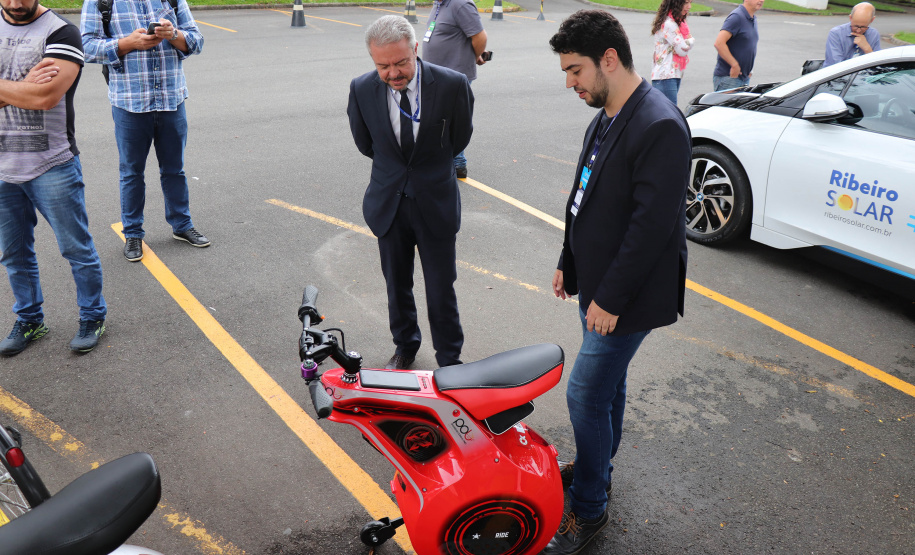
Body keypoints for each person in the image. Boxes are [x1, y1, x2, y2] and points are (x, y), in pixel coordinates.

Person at [546, 10, 689, 554]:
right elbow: (582, 197)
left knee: (584, 393)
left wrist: (607, 298)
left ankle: (589, 508)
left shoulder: (659, 125)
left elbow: (651, 229)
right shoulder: (605, 112)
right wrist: (569, 259)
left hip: (625, 296)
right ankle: (597, 466)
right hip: (597, 284)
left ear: (609, 59)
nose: (570, 83)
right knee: (607, 387)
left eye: (575, 70)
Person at [347, 15, 473, 370]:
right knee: (396, 286)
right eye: (383, 66)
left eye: (401, 62)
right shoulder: (361, 88)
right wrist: (399, 172)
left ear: (415, 50)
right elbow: (366, 143)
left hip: (436, 202)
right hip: (389, 204)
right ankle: (405, 346)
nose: (393, 73)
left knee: (440, 289)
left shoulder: (452, 85)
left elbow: (459, 138)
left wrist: (426, 168)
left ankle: (450, 359)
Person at [0, 0, 108, 355]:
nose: (16, 4)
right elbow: (29, 94)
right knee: (14, 254)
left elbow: (46, 97)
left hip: (52, 164)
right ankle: (30, 320)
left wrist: (25, 90)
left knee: (76, 248)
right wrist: (20, 86)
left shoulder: (61, 32)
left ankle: (93, 316)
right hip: (2, 167)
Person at [80, 0, 208, 263]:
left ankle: (182, 225)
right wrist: (127, 43)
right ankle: (133, 233)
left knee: (174, 169)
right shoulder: (101, 2)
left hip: (172, 99)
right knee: (131, 172)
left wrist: (173, 34)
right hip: (129, 102)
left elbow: (196, 41)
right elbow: (86, 47)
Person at [422, 0, 487, 179]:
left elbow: (480, 37)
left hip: (454, 75)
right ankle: (455, 162)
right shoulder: (439, 4)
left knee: (450, 121)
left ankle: (457, 164)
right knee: (443, 120)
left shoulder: (460, 4)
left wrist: (474, 56)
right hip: (435, 75)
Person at [712, 0, 764, 91]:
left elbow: (747, 46)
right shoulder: (737, 17)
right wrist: (734, 65)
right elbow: (719, 43)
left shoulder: (753, 18)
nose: (761, 0)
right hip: (729, 78)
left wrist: (749, 70)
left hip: (744, 78)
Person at [651, 0, 695, 106]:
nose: (689, 6)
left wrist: (683, 43)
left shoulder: (677, 22)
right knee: (670, 114)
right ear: (676, 3)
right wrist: (692, 40)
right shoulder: (669, 24)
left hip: (671, 74)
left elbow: (681, 48)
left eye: (690, 2)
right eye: (686, 3)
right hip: (665, 76)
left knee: (667, 113)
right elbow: (683, 49)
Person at [824, 2, 881, 67]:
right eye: (855, 26)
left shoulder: (874, 34)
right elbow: (835, 65)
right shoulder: (836, 33)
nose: (858, 30)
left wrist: (867, 49)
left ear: (872, 20)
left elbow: (878, 65)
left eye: (863, 27)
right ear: (850, 17)